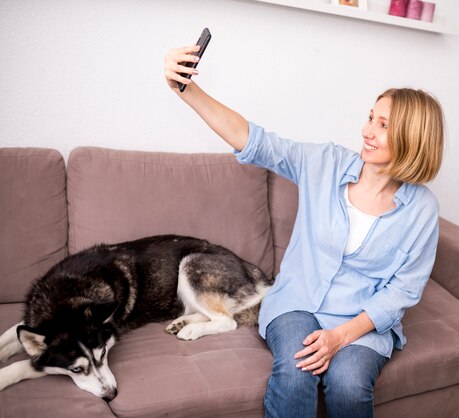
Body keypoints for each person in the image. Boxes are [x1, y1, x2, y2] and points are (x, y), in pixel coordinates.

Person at [164, 44, 444, 418]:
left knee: (348, 385)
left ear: (413, 137)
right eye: (370, 118)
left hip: (360, 319)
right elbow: (254, 140)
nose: (366, 131)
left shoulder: (422, 210)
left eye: (383, 125)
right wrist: (187, 91)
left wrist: (341, 336)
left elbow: (403, 290)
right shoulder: (325, 163)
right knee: (296, 372)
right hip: (298, 303)